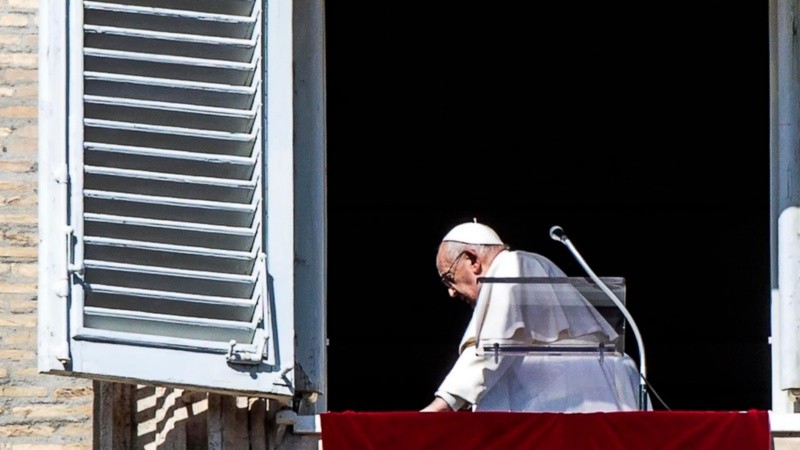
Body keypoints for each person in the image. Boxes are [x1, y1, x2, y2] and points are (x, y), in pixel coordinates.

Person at [421, 220, 643, 413]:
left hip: (574, 397)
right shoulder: (529, 264)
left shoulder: (513, 265)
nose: (451, 292)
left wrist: (443, 403)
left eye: (449, 278)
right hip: (590, 394)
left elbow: (493, 345)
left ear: (472, 260)